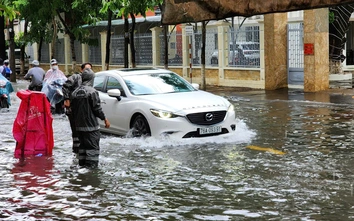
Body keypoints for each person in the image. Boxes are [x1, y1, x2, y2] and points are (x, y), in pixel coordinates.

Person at [71, 68, 110, 168]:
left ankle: (82, 167)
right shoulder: (92, 92)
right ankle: (91, 171)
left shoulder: (74, 92)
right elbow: (97, 108)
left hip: (79, 127)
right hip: (91, 127)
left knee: (82, 148)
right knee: (92, 149)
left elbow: (72, 111)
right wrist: (104, 119)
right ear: (91, 79)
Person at [62, 62, 92, 154]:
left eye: (90, 69)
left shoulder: (91, 80)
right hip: (74, 108)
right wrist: (66, 99)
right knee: (75, 130)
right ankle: (76, 150)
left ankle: (83, 150)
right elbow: (65, 86)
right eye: (86, 69)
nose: (88, 71)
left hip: (85, 110)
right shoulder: (75, 77)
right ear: (81, 70)